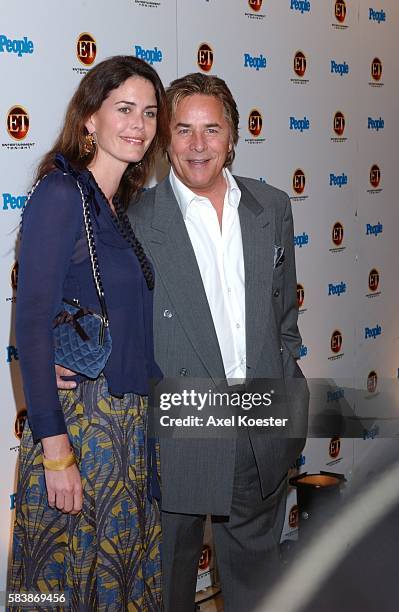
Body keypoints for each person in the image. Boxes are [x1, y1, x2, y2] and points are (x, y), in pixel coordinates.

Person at [130, 73, 309, 612]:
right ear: (165, 139)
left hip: (259, 424)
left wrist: (287, 396)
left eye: (212, 129)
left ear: (233, 135)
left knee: (257, 586)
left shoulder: (272, 208)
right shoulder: (137, 220)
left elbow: (285, 315)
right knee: (170, 590)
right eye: (183, 130)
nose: (198, 145)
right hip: (180, 431)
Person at [8, 55, 169, 611]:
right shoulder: (61, 194)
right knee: (67, 587)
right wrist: (56, 451)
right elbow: (30, 323)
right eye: (123, 109)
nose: (138, 125)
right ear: (89, 120)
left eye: (149, 113)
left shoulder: (113, 204)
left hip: (125, 431)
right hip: (81, 431)